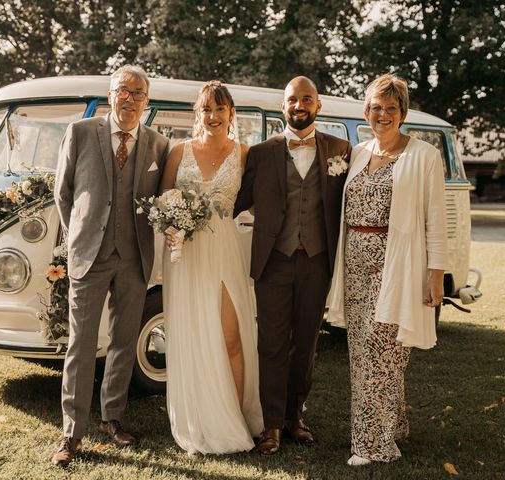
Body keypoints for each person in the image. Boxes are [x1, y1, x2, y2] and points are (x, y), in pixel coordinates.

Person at [327, 73, 448, 466]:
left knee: (381, 352)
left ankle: (371, 446)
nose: (383, 114)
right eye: (376, 107)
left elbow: (436, 219)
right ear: (366, 111)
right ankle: (392, 426)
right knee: (364, 353)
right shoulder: (358, 152)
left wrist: (436, 274)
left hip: (397, 264)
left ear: (403, 113)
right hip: (354, 268)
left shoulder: (424, 155)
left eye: (391, 108)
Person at [51, 65, 169, 467]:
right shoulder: (81, 133)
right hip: (90, 256)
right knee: (81, 345)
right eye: (124, 91)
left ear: (146, 102)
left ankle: (113, 418)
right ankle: (71, 432)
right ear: (111, 93)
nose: (130, 99)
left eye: (139, 94)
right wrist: (79, 237)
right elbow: (63, 192)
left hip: (134, 257)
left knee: (122, 343)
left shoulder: (157, 144)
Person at [234, 76, 352, 455]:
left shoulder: (341, 149)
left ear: (318, 106)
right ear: (282, 107)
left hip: (318, 261)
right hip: (273, 261)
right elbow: (235, 200)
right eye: (291, 100)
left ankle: (294, 416)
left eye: (306, 99)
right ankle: (271, 426)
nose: (298, 105)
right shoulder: (261, 152)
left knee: (305, 344)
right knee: (270, 343)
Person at [160, 81, 263, 455]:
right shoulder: (178, 151)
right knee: (191, 336)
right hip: (184, 256)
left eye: (221, 109)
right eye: (207, 109)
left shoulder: (245, 153)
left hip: (223, 250)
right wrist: (172, 223)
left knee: (231, 336)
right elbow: (162, 200)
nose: (214, 116)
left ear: (231, 114)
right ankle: (198, 422)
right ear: (197, 113)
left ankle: (235, 417)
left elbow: (257, 201)